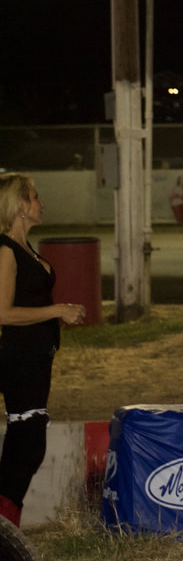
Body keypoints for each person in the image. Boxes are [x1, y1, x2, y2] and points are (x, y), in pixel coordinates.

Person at [0, 174, 85, 526]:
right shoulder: (5, 249)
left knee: (27, 444)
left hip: (35, 358)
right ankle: (6, 537)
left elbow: (28, 303)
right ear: (20, 206)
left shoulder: (25, 247)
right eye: (35, 197)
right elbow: (3, 312)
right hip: (18, 358)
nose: (42, 203)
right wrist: (56, 311)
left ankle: (7, 533)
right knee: (28, 445)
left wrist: (57, 317)